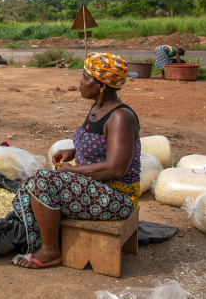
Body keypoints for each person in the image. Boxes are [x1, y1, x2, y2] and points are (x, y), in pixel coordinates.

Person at [12, 52, 141, 269]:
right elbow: (100, 146)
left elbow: (116, 168)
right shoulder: (96, 108)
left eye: (85, 77)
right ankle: (48, 240)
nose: (80, 82)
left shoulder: (120, 117)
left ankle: (51, 251)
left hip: (117, 196)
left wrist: (72, 171)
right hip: (95, 187)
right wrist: (73, 151)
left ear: (101, 85)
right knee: (31, 184)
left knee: (44, 181)